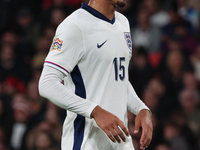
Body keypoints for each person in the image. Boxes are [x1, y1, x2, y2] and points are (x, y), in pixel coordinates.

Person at [38, 0, 153, 150]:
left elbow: (117, 79)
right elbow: (47, 83)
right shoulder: (75, 26)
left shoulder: (123, 22)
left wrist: (141, 109)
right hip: (85, 142)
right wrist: (95, 111)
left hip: (120, 142)